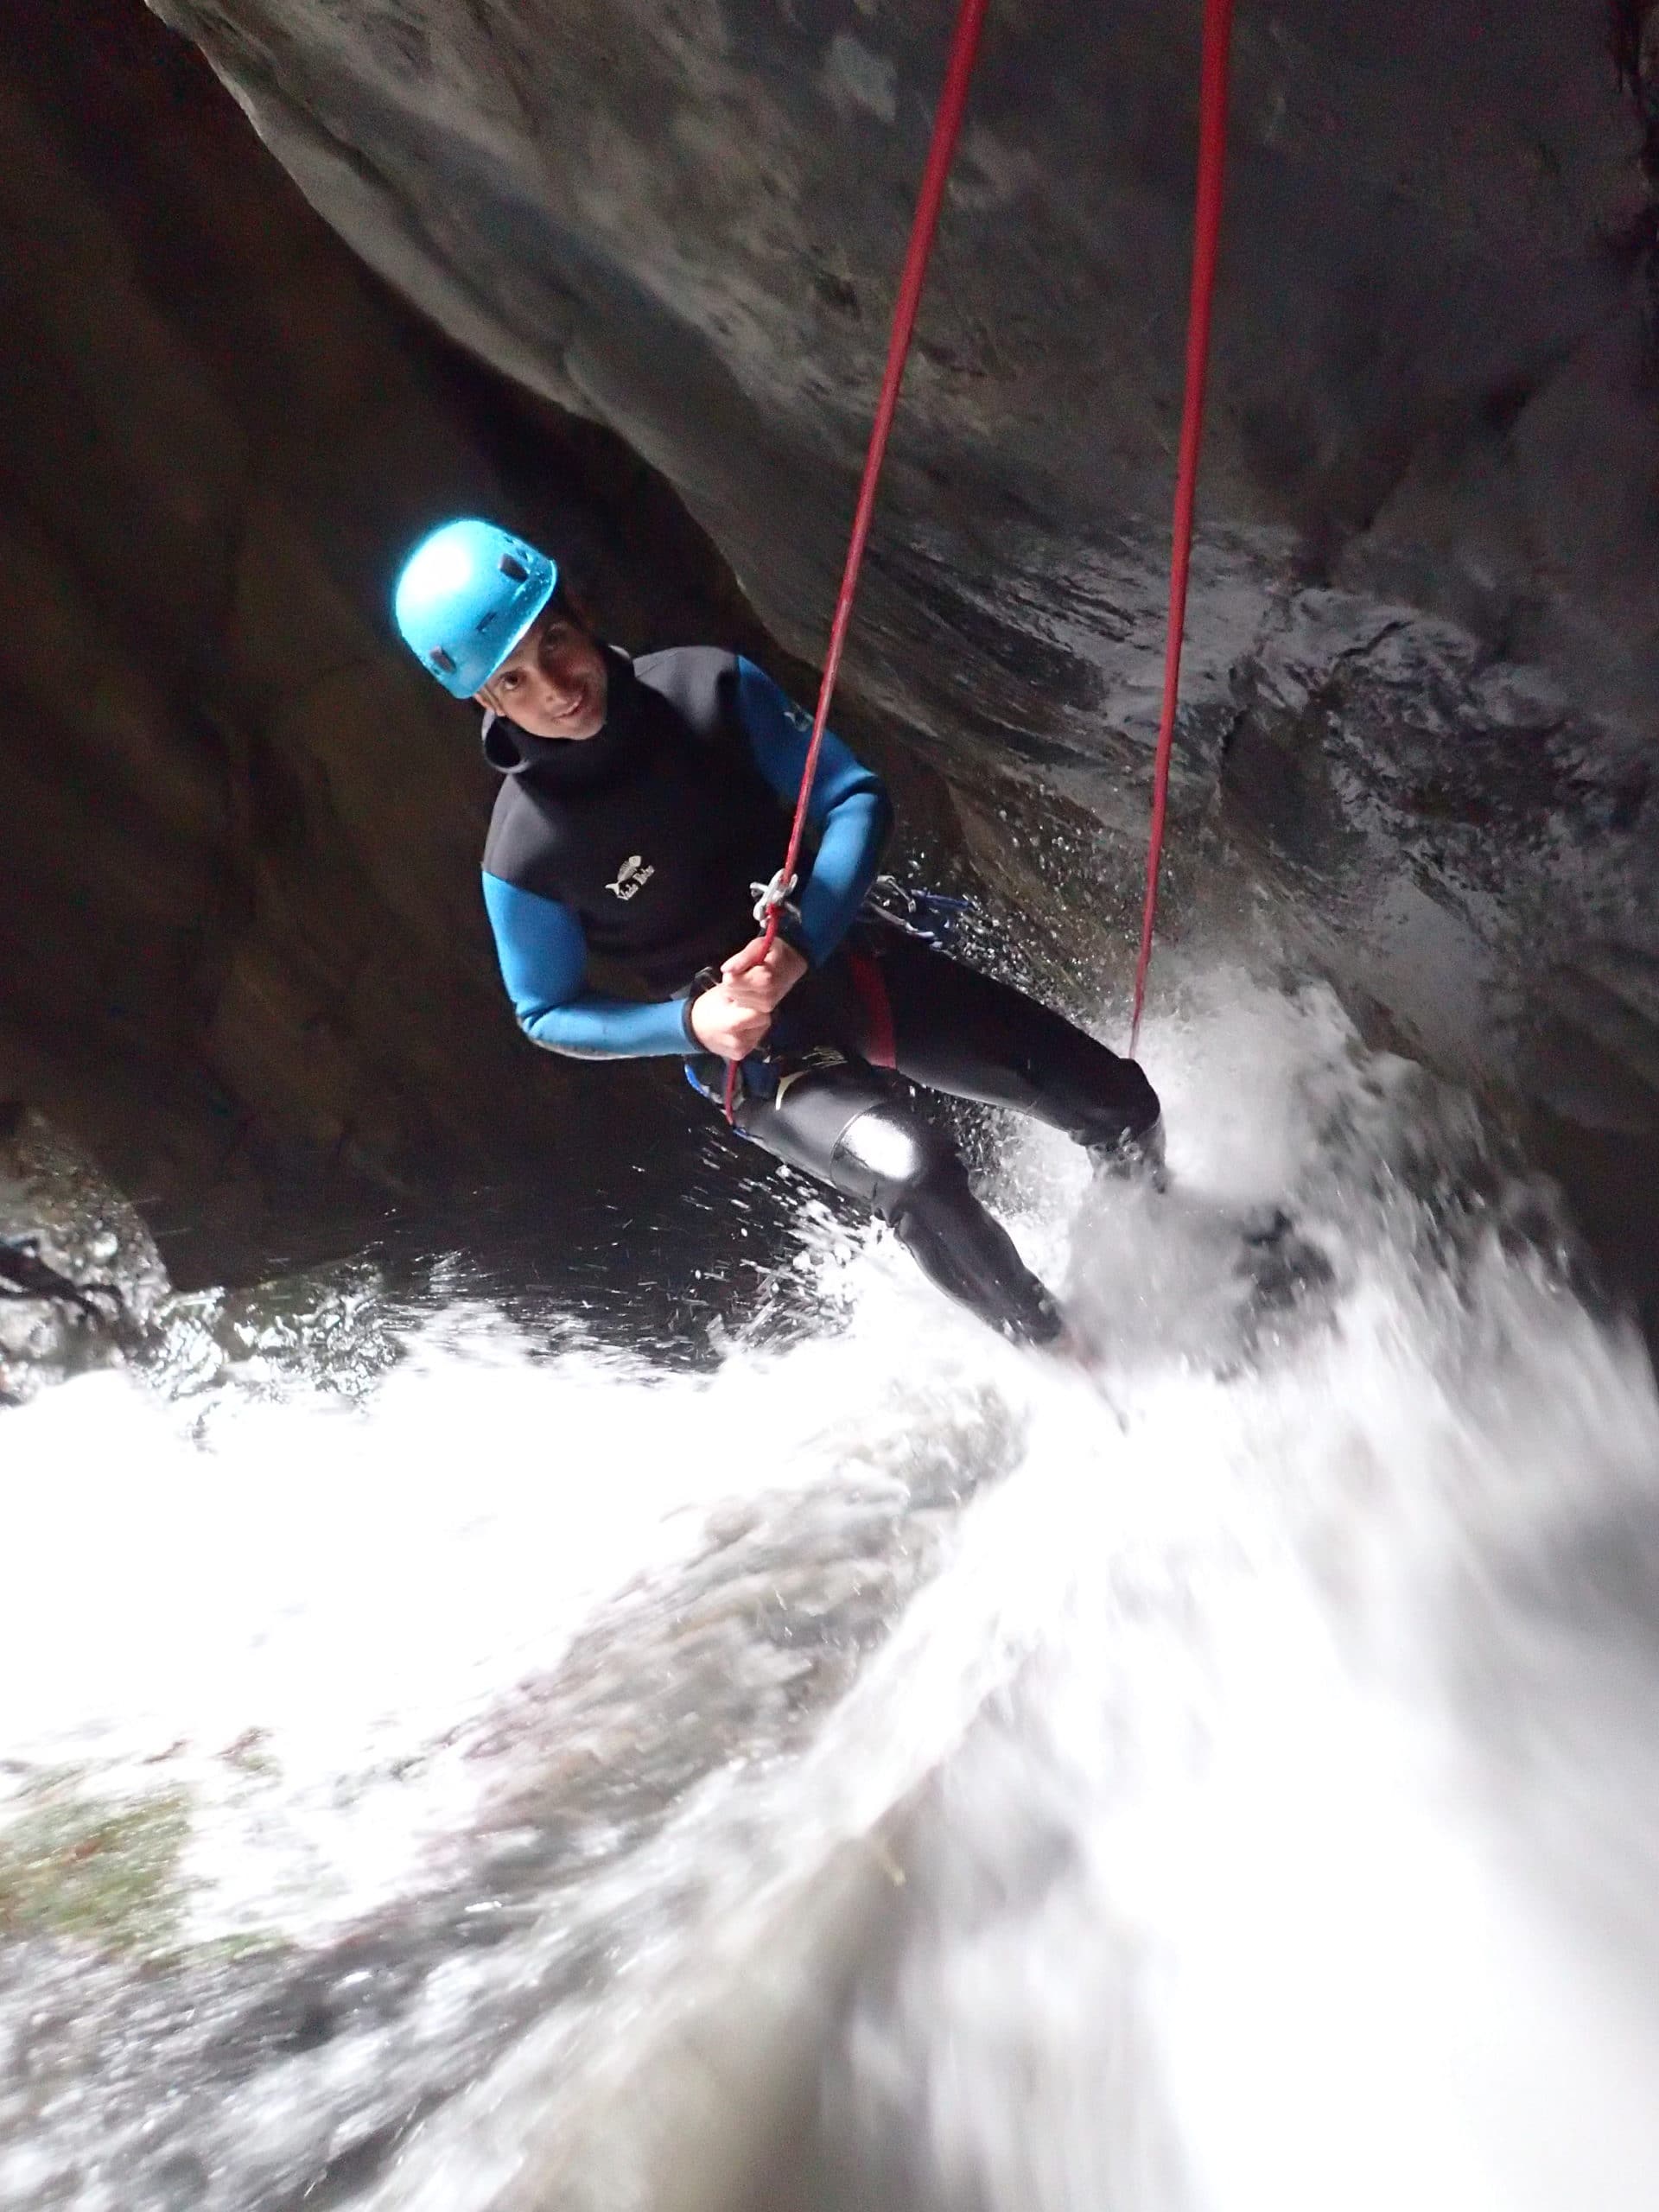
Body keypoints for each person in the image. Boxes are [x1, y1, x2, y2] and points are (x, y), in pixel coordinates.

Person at [393, 518, 1163, 1346]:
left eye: (553, 644)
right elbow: (545, 1010)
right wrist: (691, 1024)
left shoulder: (708, 687)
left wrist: (799, 943)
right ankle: (1063, 1352)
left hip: (850, 955)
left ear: (577, 613)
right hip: (761, 1050)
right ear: (485, 701)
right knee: (915, 1174)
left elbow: (854, 797)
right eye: (513, 681)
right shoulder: (526, 856)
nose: (554, 687)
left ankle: (1159, 1243)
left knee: (1122, 1105)